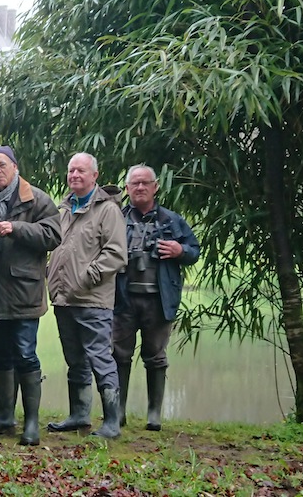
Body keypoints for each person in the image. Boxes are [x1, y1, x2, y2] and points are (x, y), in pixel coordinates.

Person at [0, 146, 62, 446]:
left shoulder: (38, 199)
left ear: (15, 167)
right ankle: (3, 416)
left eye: (2, 165)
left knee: (25, 354)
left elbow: (53, 235)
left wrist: (16, 228)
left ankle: (31, 422)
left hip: (23, 292)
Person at [113, 164, 200, 431]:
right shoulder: (115, 218)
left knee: (156, 356)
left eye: (145, 183)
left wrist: (179, 249)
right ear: (127, 189)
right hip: (123, 299)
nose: (140, 188)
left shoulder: (172, 220)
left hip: (159, 299)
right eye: (134, 184)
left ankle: (154, 413)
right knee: (118, 355)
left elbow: (194, 250)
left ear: (155, 186)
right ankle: (118, 411)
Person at [46, 152, 127, 439]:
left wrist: (88, 276)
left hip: (92, 300)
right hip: (64, 298)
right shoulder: (64, 208)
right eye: (71, 171)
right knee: (75, 360)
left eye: (81, 171)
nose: (75, 176)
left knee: (100, 358)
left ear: (95, 175)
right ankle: (79, 415)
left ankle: (112, 422)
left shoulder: (107, 210)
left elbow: (117, 254)